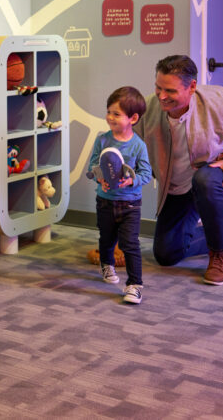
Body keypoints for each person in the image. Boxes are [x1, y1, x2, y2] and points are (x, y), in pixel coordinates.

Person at [134, 55, 223, 285]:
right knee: (166, 254)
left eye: (170, 91)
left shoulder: (221, 102)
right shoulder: (148, 108)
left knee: (204, 180)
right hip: (178, 186)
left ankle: (221, 254)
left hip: (215, 178)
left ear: (192, 86)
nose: (161, 96)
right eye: (158, 87)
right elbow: (132, 146)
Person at [88, 87, 152, 304]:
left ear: (133, 118)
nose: (110, 117)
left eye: (116, 114)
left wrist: (132, 180)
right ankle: (107, 264)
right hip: (105, 202)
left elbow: (146, 173)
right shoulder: (102, 140)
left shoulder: (138, 146)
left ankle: (134, 285)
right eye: (108, 112)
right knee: (106, 239)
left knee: (130, 244)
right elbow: (93, 166)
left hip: (130, 205)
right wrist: (99, 178)